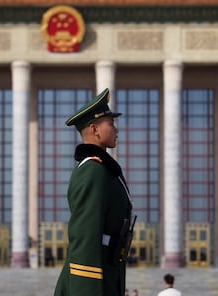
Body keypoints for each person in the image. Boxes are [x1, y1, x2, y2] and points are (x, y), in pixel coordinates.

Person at [54, 88, 134, 296]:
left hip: (108, 272)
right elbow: (85, 237)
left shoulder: (105, 170)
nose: (116, 129)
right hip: (91, 281)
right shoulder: (93, 170)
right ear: (95, 129)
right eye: (110, 124)